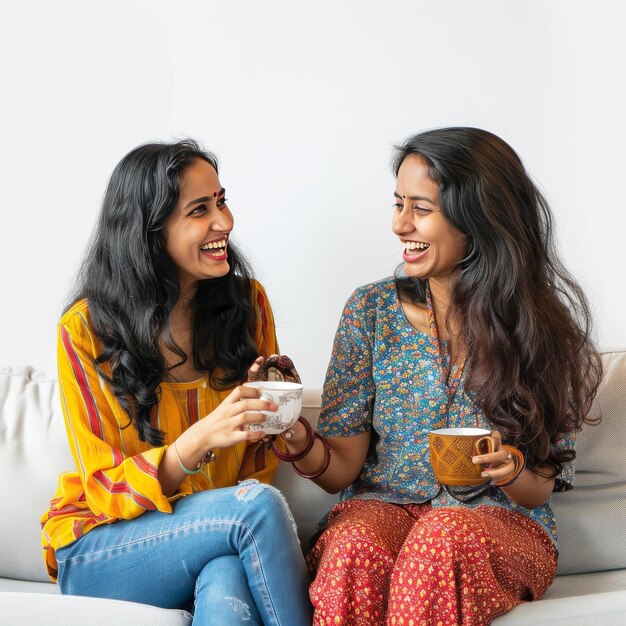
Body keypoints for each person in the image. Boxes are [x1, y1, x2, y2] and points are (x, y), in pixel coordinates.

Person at [274, 127, 603, 625]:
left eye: (421, 209)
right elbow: (341, 467)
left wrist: (510, 469)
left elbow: (539, 486)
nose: (400, 224)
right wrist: (299, 439)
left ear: (478, 219)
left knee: (440, 538)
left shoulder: (539, 328)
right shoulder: (370, 310)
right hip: (384, 509)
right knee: (353, 546)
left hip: (499, 523)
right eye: (398, 203)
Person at [40, 139, 312, 626]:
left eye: (222, 201)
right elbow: (104, 487)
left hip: (216, 534)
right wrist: (200, 439)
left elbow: (255, 467)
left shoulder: (247, 306)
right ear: (150, 229)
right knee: (256, 510)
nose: (224, 223)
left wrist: (277, 422)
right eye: (199, 210)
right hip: (102, 546)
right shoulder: (84, 331)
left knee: (229, 574)